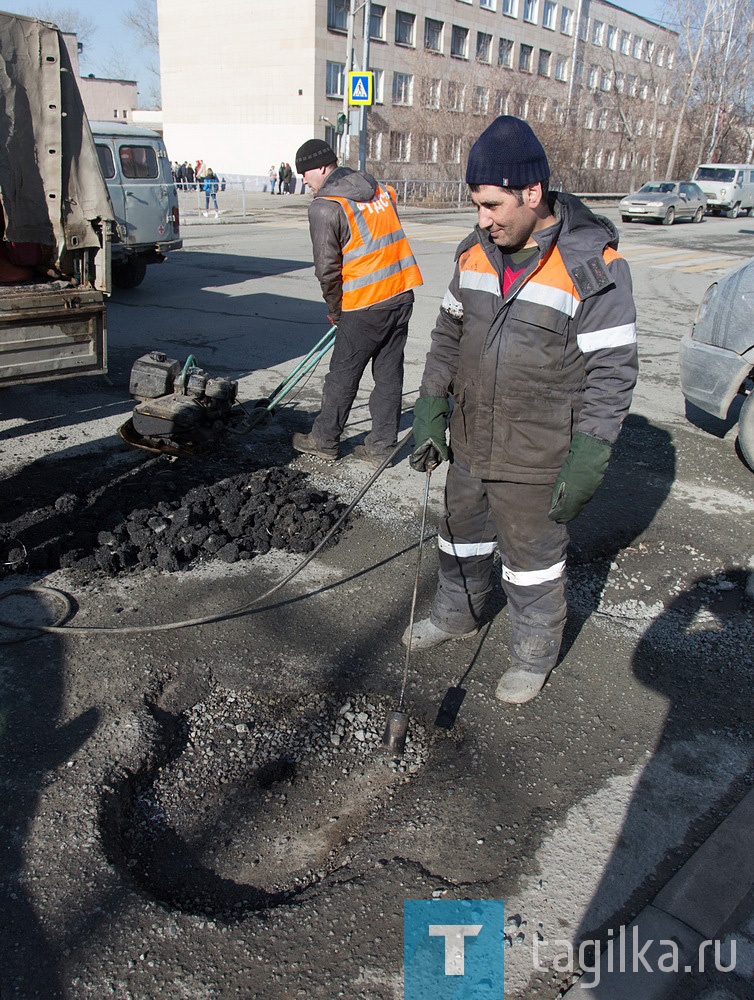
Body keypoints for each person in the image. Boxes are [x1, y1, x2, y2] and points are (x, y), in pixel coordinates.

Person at [404, 116, 638, 704]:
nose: (483, 219)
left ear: (532, 194)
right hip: (470, 440)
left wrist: (587, 459)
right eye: (478, 205)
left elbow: (612, 375)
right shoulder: (474, 254)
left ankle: (534, 653)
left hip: (537, 452)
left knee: (531, 561)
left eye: (492, 205)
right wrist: (430, 409)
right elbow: (446, 338)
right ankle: (456, 615)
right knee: (459, 537)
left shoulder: (594, 268)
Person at [291, 138, 423, 468]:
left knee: (342, 376)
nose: (304, 181)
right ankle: (382, 446)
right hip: (401, 293)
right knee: (389, 374)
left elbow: (327, 268)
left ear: (322, 167)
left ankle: (323, 440)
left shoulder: (325, 206)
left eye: (305, 173)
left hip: (365, 303)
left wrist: (336, 311)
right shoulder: (378, 189)